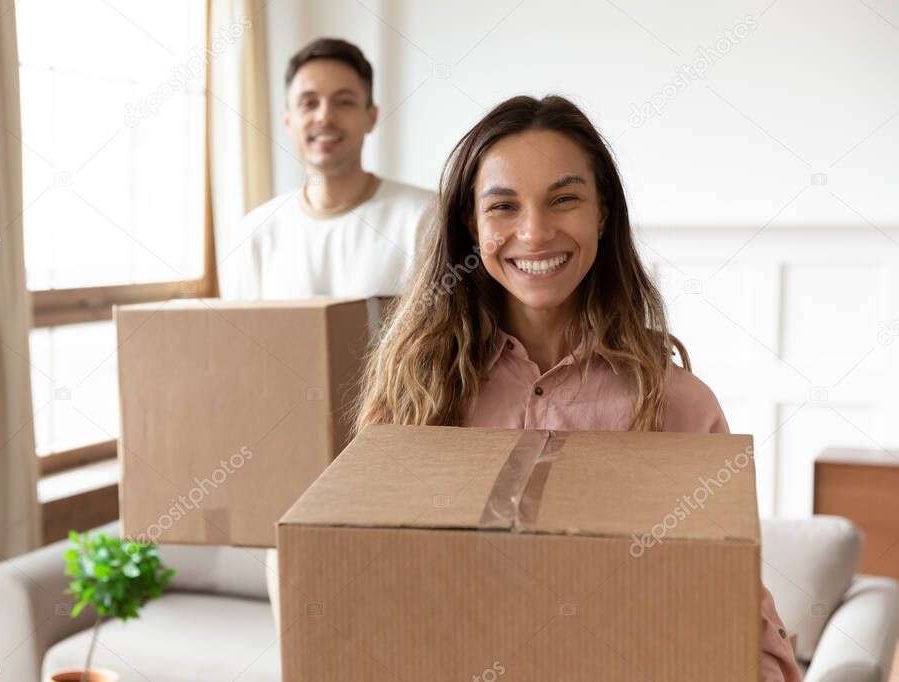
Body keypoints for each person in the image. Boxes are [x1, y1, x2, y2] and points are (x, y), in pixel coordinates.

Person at [355, 95, 802, 681]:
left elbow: (740, 617)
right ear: (471, 224)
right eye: (504, 206)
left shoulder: (678, 406)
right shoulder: (415, 396)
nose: (534, 232)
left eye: (564, 199)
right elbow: (368, 589)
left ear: (603, 213)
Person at [221, 37, 434, 300]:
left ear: (371, 117)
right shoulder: (253, 234)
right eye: (308, 103)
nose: (324, 117)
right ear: (288, 120)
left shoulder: (426, 218)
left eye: (344, 102)